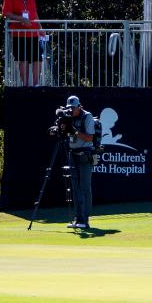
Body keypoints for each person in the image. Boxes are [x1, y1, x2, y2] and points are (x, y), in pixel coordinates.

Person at [2, 0, 44, 86]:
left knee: (38, 59)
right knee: (23, 59)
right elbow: (6, 13)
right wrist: (20, 19)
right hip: (19, 34)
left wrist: (40, 28)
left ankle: (36, 85)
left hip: (33, 32)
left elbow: (34, 12)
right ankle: (25, 85)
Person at [64, 95, 96, 229]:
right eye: (69, 108)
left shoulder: (87, 117)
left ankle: (85, 219)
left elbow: (90, 138)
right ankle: (78, 219)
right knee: (75, 187)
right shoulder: (68, 117)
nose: (71, 111)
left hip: (85, 154)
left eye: (73, 108)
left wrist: (74, 131)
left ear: (79, 106)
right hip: (73, 154)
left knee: (85, 187)